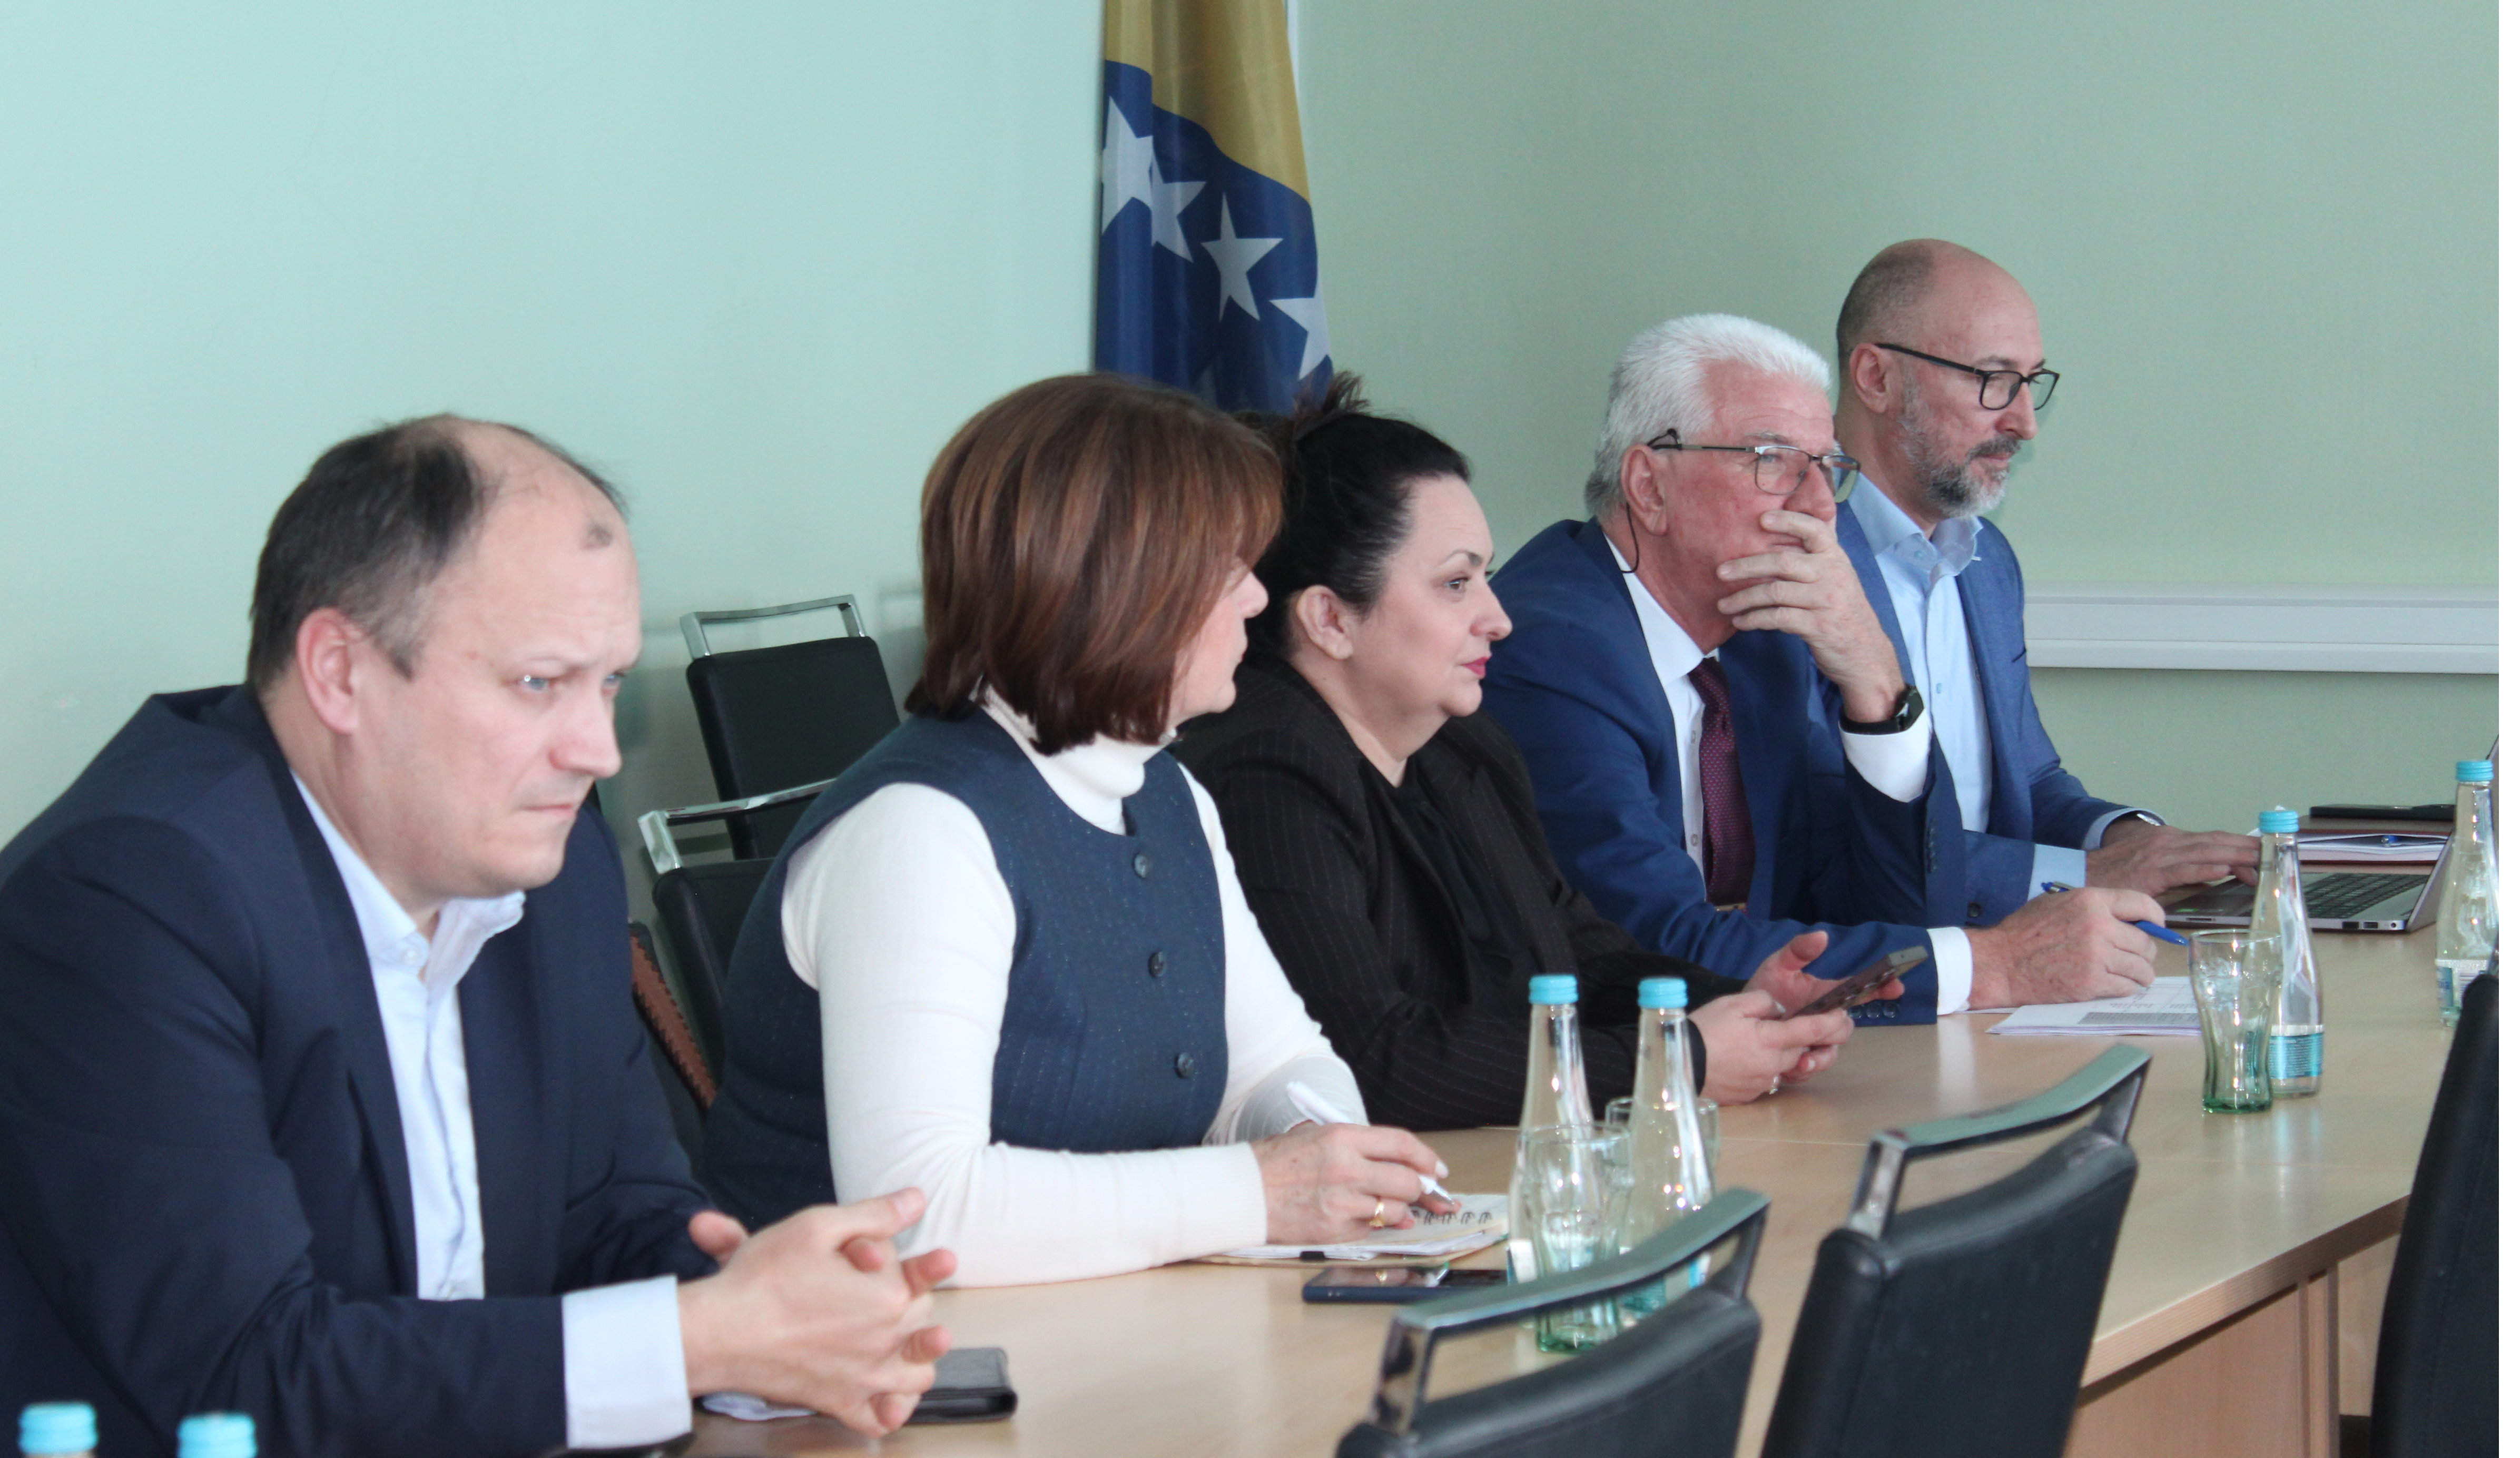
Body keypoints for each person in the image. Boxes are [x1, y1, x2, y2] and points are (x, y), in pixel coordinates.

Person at [0, 418, 953, 1458]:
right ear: (340, 672)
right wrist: (696, 1341)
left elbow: (616, 1214)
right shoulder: (130, 897)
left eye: (609, 682)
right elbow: (245, 1374)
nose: (598, 751)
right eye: (540, 683)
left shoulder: (546, 862)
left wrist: (774, 1307)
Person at [702, 374, 1453, 1286]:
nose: (1258, 600)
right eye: (1230, 572)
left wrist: (1322, 1149)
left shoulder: (1170, 794)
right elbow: (921, 1215)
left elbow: (1278, 1062)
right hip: (863, 1363)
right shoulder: (921, 831)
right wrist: (1261, 1191)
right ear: (1126, 587)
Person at [1177, 376, 1867, 1128]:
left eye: (1485, 575)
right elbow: (1372, 1060)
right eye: (1455, 584)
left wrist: (1742, 1003)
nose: (1498, 618)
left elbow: (1579, 955)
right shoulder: (1265, 769)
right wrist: (1677, 1060)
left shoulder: (1462, 745)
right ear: (1330, 620)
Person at [1484, 314, 2168, 1019]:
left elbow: (1902, 907)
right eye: (1774, 461)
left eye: (1828, 469)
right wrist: (1993, 966)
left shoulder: (1766, 635)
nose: (1819, 507)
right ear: (1650, 486)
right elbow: (1657, 946)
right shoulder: (1550, 652)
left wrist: (1877, 680)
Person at [1830, 238, 2259, 937]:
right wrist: (2082, 876)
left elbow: (2028, 784)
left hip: (2014, 959)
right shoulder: (1798, 562)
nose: (2024, 422)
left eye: (2032, 382)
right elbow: (1828, 840)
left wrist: (2134, 841)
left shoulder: (1987, 561)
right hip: (1873, 967)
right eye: (1994, 380)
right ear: (1876, 378)